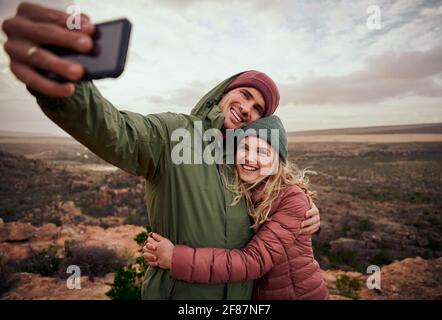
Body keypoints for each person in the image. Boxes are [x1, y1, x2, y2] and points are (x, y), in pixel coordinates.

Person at [2, 2, 321, 299]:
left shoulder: (242, 165)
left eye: (257, 109)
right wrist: (66, 87)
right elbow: (117, 131)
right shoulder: (176, 132)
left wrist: (305, 217)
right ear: (225, 92)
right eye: (245, 94)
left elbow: (275, 212)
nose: (247, 108)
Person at [143, 115, 329, 300]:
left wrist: (175, 259)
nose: (249, 158)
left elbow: (254, 261)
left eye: (262, 152)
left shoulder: (291, 198)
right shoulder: (241, 190)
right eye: (244, 148)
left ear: (277, 161)